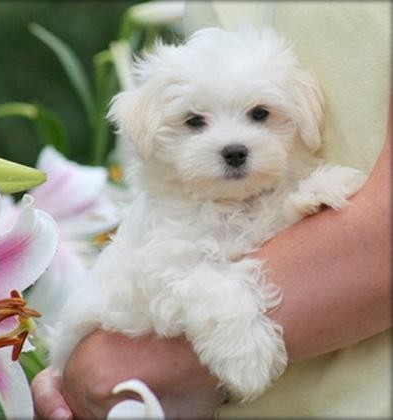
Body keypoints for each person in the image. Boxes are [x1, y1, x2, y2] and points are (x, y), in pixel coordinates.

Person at [32, 2, 391, 418]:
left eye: (259, 115)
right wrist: (231, 321)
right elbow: (174, 281)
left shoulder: (284, 188)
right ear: (148, 129)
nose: (233, 143)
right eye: (195, 122)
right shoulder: (167, 224)